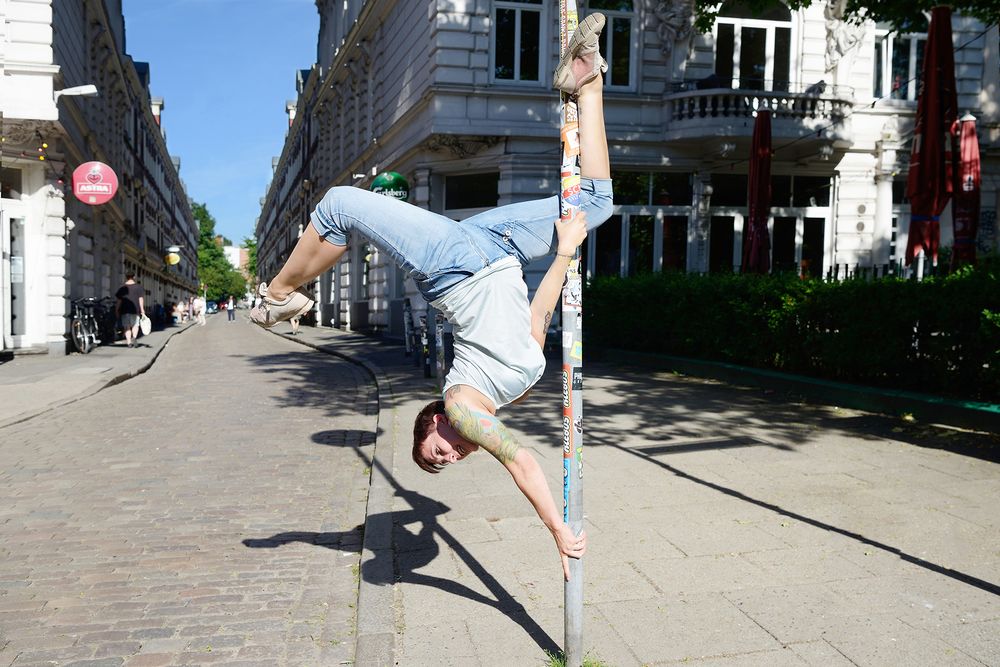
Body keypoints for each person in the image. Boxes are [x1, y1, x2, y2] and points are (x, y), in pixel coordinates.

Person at [250, 13, 611, 579]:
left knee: (341, 204)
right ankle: (584, 80)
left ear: (434, 420)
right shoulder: (512, 390)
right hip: (501, 250)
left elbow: (522, 464)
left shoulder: (467, 411)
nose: (446, 457)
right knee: (597, 203)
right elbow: (537, 315)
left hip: (454, 265)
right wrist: (564, 251)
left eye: (432, 450)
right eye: (442, 464)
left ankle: (276, 295)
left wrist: (558, 532)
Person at [115, 271, 145, 348]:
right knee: (135, 325)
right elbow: (140, 299)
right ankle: (134, 337)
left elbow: (119, 300)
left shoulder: (122, 288)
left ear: (126, 277)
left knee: (126, 326)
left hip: (125, 310)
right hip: (135, 309)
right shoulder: (139, 287)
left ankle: (129, 342)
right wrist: (142, 309)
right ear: (134, 277)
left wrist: (117, 309)